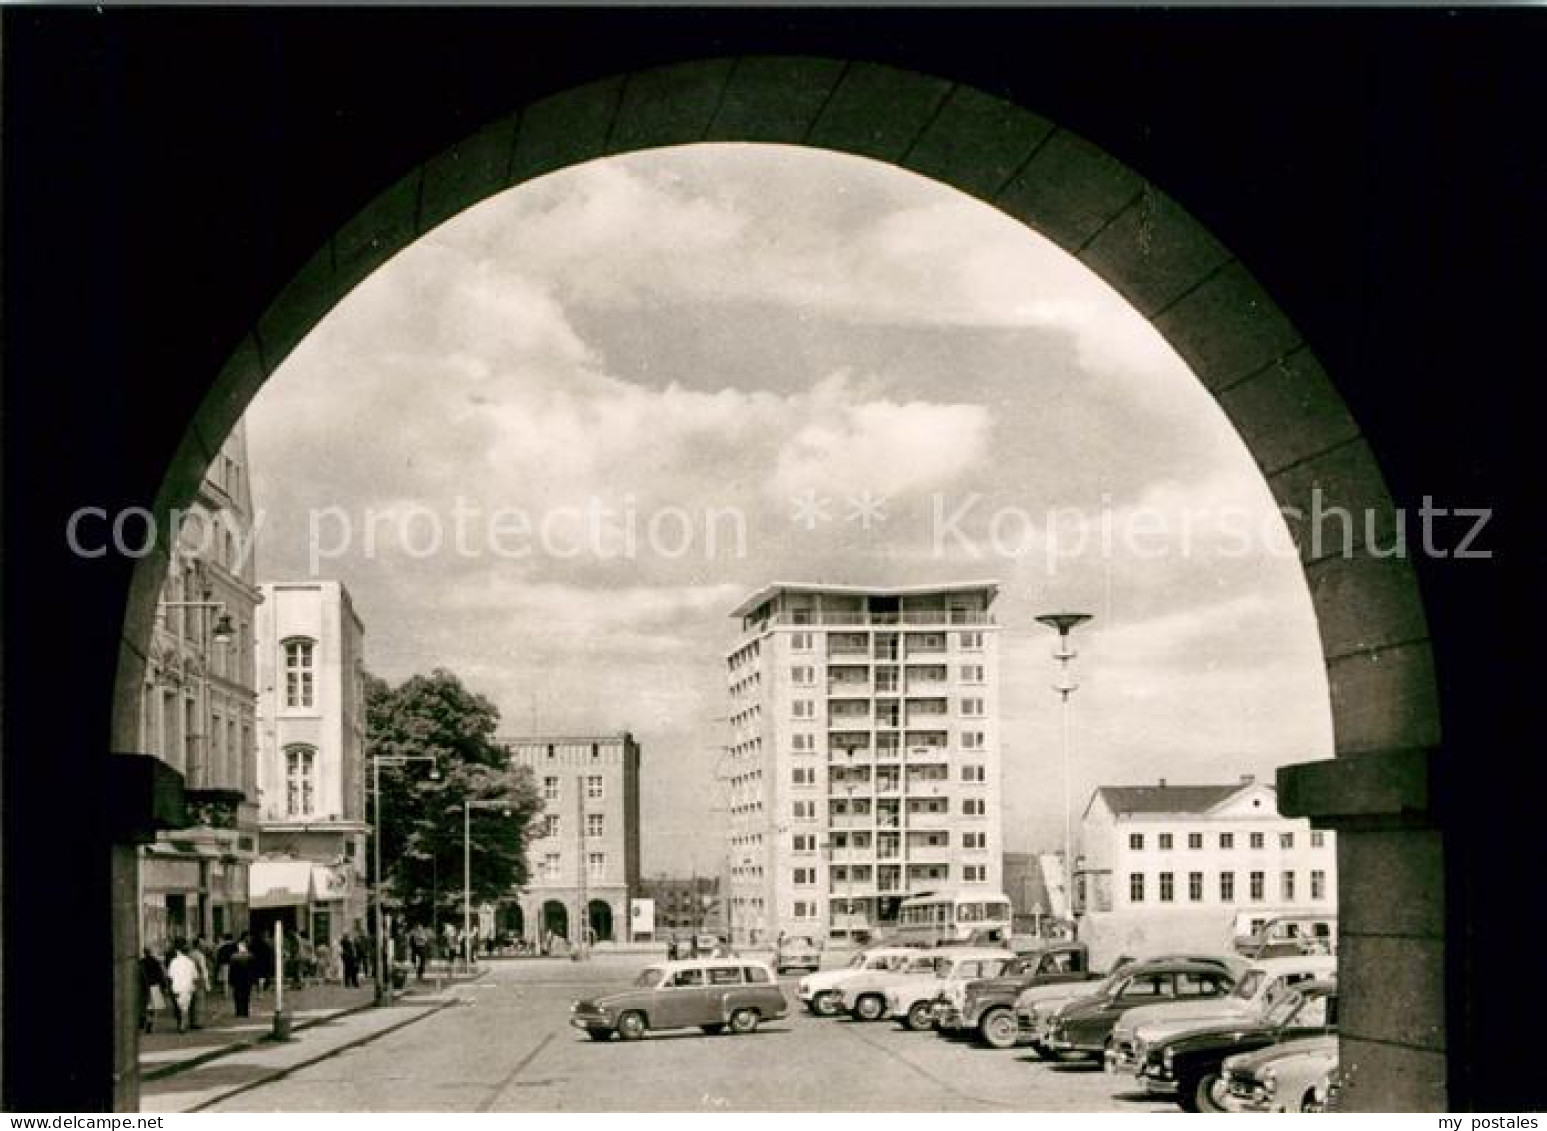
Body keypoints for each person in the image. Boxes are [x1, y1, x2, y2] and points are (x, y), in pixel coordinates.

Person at [167, 941, 198, 1034]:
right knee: (185, 1007)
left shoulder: (173, 962)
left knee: (178, 1006)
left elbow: (170, 976)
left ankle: (180, 1023)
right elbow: (195, 976)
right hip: (188, 987)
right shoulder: (191, 962)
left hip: (176, 987)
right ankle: (183, 1024)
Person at [139, 947, 169, 1033]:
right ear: (151, 952)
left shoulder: (141, 962)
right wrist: (164, 986)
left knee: (146, 1006)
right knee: (153, 1007)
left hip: (144, 987)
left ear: (144, 953)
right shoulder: (156, 962)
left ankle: (146, 1021)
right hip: (155, 986)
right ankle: (150, 1023)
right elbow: (160, 975)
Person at [228, 936, 255, 1018]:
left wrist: (230, 980)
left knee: (237, 996)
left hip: (237, 980)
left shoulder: (234, 957)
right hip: (247, 979)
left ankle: (239, 1011)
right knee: (246, 996)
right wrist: (253, 979)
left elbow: (231, 970)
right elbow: (252, 969)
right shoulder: (250, 956)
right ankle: (245, 1011)